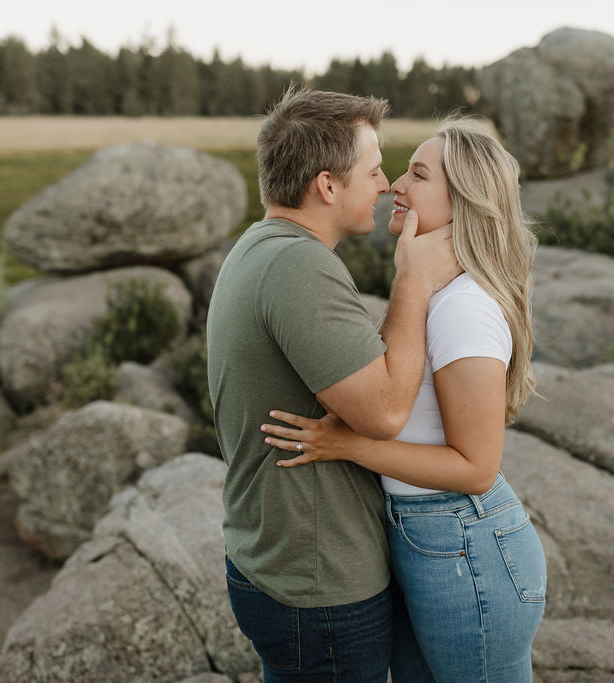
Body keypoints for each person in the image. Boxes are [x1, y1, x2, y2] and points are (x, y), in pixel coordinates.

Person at [260, 117, 547, 682]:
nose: (395, 183)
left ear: (463, 201)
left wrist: (348, 446)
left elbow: (477, 468)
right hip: (426, 541)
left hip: (466, 546)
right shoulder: (430, 295)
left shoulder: (464, 307)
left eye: (418, 175)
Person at [206, 88, 462, 682]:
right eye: (373, 171)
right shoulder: (299, 266)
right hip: (319, 586)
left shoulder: (258, 247)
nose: (383, 184)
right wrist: (414, 281)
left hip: (282, 563)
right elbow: (385, 411)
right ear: (327, 185)